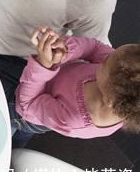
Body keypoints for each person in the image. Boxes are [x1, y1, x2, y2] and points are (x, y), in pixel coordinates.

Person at [12, 27, 140, 146]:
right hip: (39, 83)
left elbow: (27, 104)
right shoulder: (118, 76)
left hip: (25, 110)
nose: (107, 55)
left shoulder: (72, 120)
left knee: (20, 128)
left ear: (109, 100)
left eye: (105, 61)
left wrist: (44, 65)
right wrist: (65, 51)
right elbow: (95, 48)